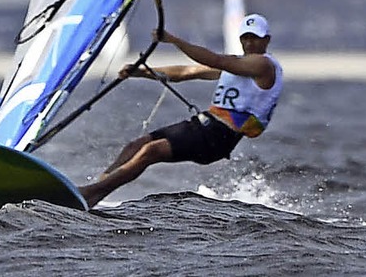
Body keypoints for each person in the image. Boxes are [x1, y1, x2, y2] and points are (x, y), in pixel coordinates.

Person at [79, 13, 283, 208]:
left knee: (151, 151)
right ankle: (95, 190)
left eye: (255, 38)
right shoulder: (238, 63)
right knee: (137, 145)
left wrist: (174, 40)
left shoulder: (263, 65)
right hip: (204, 125)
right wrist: (142, 72)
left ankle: (91, 193)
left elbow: (216, 60)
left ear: (266, 40)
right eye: (245, 38)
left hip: (219, 137)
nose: (249, 43)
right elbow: (186, 71)